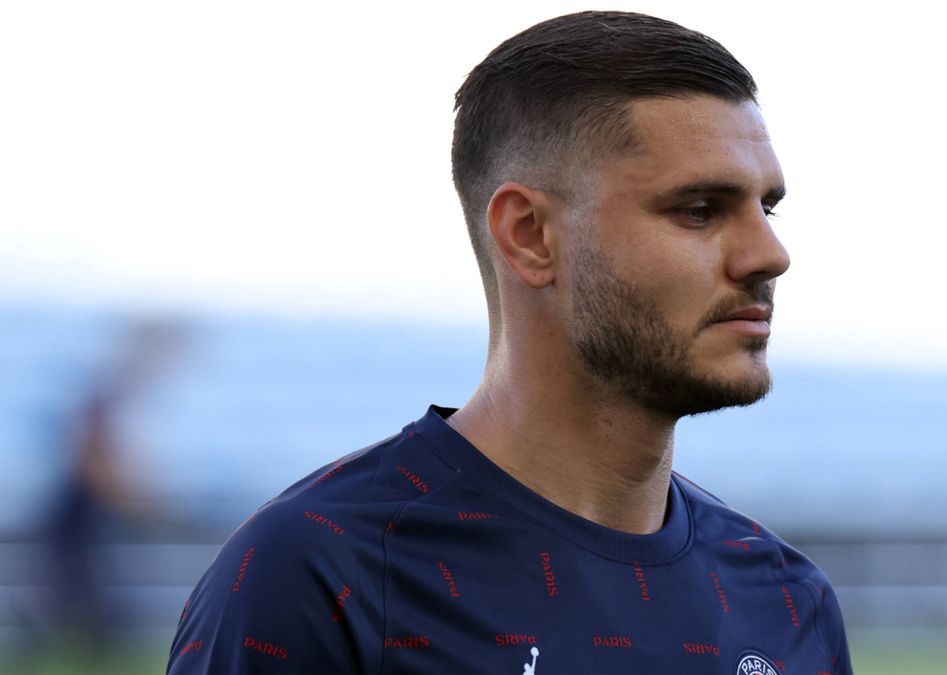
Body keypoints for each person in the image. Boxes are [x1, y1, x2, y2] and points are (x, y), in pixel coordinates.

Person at [167, 10, 851, 674]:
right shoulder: (324, 574)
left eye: (768, 208)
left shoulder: (787, 600)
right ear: (529, 236)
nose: (771, 254)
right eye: (699, 210)